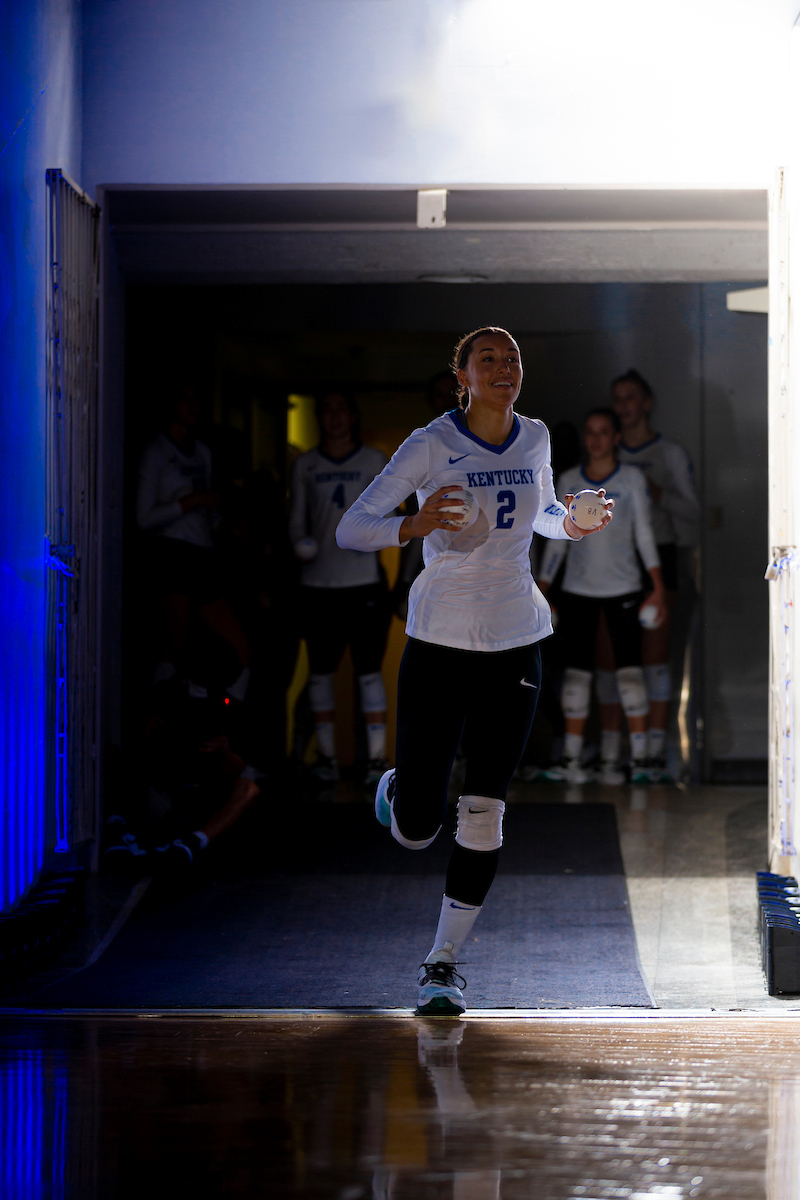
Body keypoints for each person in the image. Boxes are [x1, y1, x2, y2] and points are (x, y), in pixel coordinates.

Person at [336, 327, 612, 1016]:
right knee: (418, 829)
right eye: (487, 358)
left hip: (517, 639)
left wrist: (574, 521)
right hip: (438, 639)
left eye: (512, 357)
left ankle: (443, 964)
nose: (504, 368)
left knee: (484, 810)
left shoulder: (537, 436)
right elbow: (351, 527)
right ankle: (402, 792)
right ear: (462, 374)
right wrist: (416, 521)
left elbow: (544, 511)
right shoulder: (432, 442)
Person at [538, 408, 666, 785]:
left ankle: (642, 759)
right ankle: (572, 761)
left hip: (624, 589)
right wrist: (543, 587)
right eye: (590, 432)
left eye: (603, 432)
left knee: (629, 675)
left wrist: (657, 585)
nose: (595, 439)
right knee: (576, 677)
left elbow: (644, 534)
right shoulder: (571, 478)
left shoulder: (632, 478)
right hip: (578, 591)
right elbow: (558, 541)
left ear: (615, 438)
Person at [288, 392, 390, 787]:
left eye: (341, 409)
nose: (334, 418)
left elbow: (392, 518)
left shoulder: (374, 461)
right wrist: (299, 544)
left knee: (369, 674)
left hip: (363, 582)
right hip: (317, 585)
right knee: (320, 674)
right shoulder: (306, 465)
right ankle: (327, 758)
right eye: (326, 410)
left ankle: (377, 760)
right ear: (318, 418)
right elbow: (296, 520)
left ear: (353, 415)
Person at [611, 369, 700, 780]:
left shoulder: (669, 453)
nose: (623, 406)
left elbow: (696, 512)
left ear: (647, 403)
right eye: (617, 399)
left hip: (660, 560)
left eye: (631, 398)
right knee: (615, 661)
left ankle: (660, 752)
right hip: (613, 564)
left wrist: (656, 492)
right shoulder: (607, 454)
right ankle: (622, 752)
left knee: (656, 660)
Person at [136, 384, 251, 700]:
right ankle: (167, 723)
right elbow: (144, 518)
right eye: (183, 398)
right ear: (167, 404)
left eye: (196, 398)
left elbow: (205, 511)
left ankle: (222, 728)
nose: (192, 405)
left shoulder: (202, 451)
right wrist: (191, 501)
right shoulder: (157, 452)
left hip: (203, 554)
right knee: (176, 650)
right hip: (171, 554)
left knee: (239, 649)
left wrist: (224, 525)